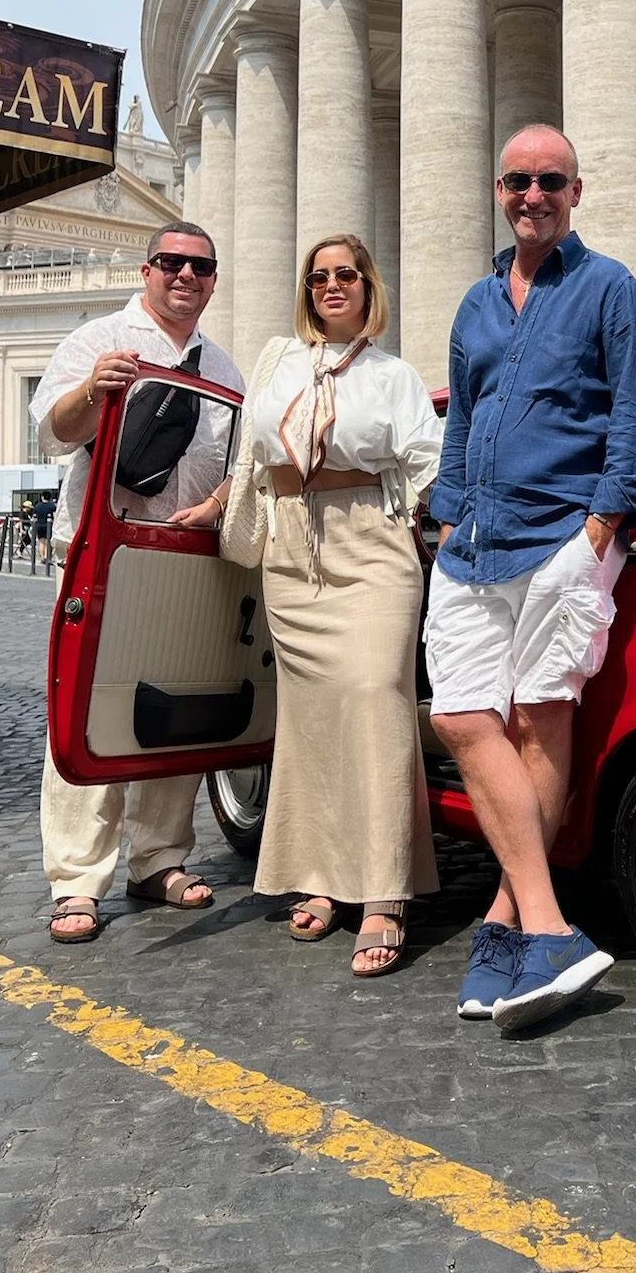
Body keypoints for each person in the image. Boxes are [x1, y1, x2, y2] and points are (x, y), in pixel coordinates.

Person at [427, 125, 636, 1030]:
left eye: (551, 182)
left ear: (576, 192)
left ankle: (508, 926)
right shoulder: (476, 303)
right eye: (519, 181)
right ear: (499, 190)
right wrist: (447, 514)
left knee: (538, 719)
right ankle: (545, 926)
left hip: (564, 538)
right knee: (461, 716)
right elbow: (463, 419)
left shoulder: (611, 289)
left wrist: (596, 531)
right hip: (474, 542)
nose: (534, 195)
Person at [174, 233, 442, 976]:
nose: (331, 286)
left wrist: (455, 533)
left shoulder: (394, 376)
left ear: (368, 287)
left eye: (346, 275)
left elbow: (430, 465)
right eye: (319, 277)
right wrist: (215, 507)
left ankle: (385, 890)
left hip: (372, 545)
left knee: (375, 698)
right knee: (312, 720)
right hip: (291, 552)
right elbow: (252, 460)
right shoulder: (279, 363)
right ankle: (320, 873)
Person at [30, 224, 244, 943]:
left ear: (213, 280)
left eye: (200, 267)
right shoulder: (100, 340)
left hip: (185, 555)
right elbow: (54, 432)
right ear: (147, 270)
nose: (186, 275)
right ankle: (77, 878)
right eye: (171, 263)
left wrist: (218, 505)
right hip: (106, 552)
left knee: (172, 707)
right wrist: (93, 390)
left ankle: (159, 859)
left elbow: (238, 466)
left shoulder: (224, 368)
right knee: (87, 704)